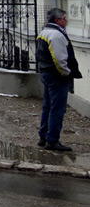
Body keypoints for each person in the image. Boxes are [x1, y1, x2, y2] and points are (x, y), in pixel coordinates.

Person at [35, 8, 83, 151]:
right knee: (57, 109)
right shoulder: (56, 35)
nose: (66, 20)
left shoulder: (44, 32)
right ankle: (52, 140)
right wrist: (66, 72)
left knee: (48, 106)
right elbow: (59, 59)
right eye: (64, 18)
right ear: (57, 20)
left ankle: (43, 136)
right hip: (56, 76)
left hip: (46, 73)